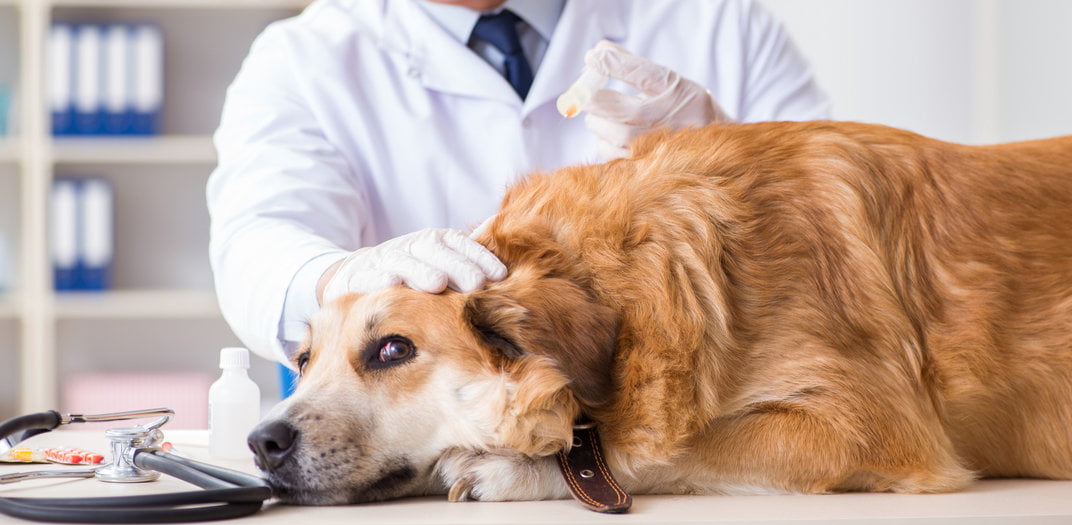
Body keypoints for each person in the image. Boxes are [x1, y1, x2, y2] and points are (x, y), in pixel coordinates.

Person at [207, 0, 830, 365]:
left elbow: (843, 234)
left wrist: (738, 165)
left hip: (704, 429)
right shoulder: (302, 56)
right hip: (442, 459)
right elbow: (256, 245)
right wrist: (342, 277)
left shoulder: (719, 20)